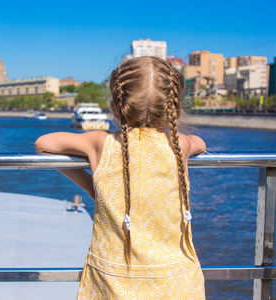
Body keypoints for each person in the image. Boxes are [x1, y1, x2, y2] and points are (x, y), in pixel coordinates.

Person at [35, 56, 206, 299]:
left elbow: (44, 144)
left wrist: (93, 187)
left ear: (116, 106)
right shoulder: (179, 145)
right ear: (175, 107)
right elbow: (201, 143)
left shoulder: (101, 143)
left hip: (114, 284)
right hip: (177, 280)